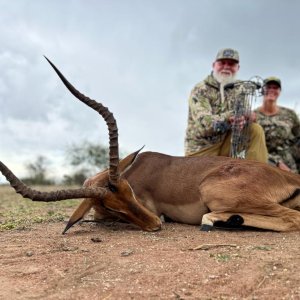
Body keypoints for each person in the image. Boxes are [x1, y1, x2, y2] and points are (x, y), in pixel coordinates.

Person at [184, 48, 268, 162]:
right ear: (214, 65)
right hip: (203, 149)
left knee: (255, 130)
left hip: (227, 145)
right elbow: (204, 124)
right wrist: (231, 117)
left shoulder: (240, 88)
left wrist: (247, 118)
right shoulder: (200, 90)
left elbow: (246, 114)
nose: (226, 66)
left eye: (231, 64)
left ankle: (257, 174)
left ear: (238, 68)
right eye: (222, 63)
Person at [255, 77, 300, 173]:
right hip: (263, 163)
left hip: (290, 165)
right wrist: (276, 162)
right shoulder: (253, 116)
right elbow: (252, 146)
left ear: (279, 91)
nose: (271, 90)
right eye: (268, 87)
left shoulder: (290, 114)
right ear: (262, 90)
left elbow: (298, 138)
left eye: (275, 88)